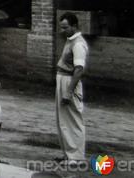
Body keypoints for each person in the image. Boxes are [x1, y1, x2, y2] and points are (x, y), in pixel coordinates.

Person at [56, 12, 89, 163]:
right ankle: (69, 154)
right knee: (63, 119)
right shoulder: (70, 40)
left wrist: (69, 91)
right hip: (63, 79)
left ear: (74, 26)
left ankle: (76, 157)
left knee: (73, 119)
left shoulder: (78, 44)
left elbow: (79, 69)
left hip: (70, 82)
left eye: (65, 27)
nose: (63, 30)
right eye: (61, 27)